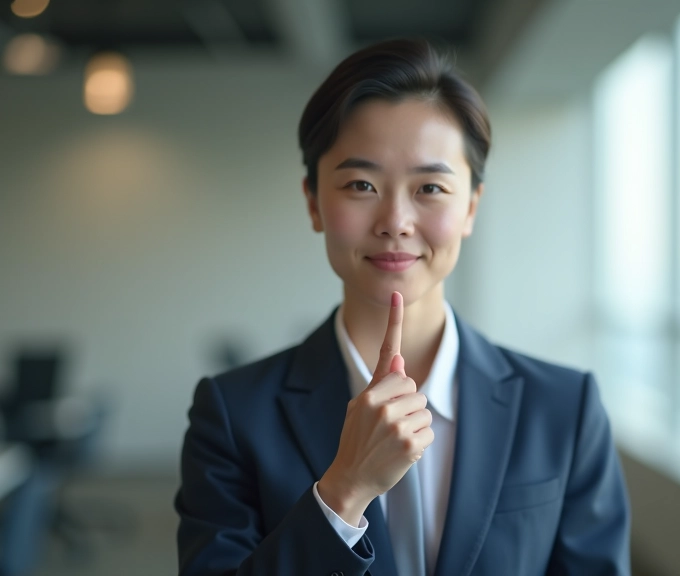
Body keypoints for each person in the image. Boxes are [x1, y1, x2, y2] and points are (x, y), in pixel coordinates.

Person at [175, 38, 630, 576]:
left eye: (430, 187)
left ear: (471, 208)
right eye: (361, 184)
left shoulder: (564, 409)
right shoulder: (232, 414)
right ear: (313, 202)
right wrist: (343, 492)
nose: (395, 220)